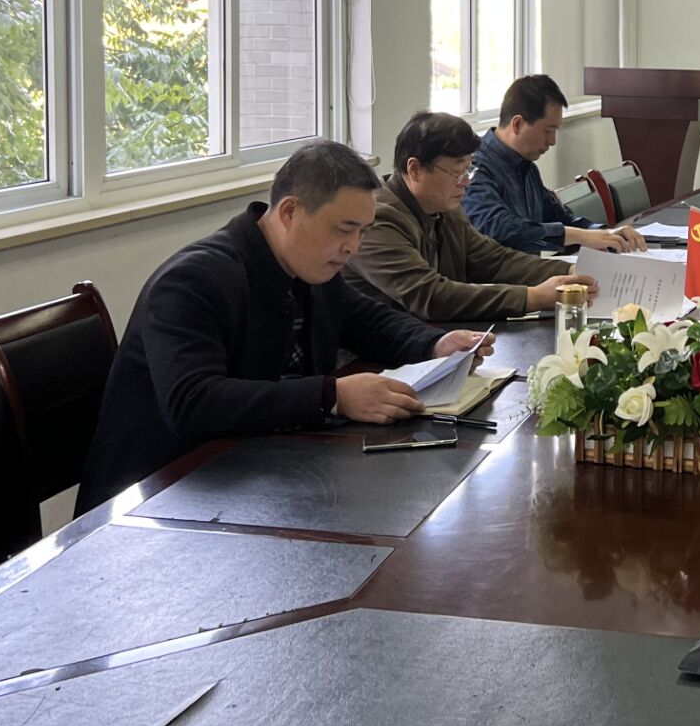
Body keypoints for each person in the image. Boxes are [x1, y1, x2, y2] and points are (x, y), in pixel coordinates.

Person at [76, 142, 492, 514]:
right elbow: (193, 402)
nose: (353, 247)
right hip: (160, 500)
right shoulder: (193, 281)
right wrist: (333, 396)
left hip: (256, 476)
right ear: (290, 212)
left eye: (362, 232)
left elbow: (369, 321)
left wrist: (435, 343)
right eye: (344, 229)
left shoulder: (310, 267)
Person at [346, 112, 600, 323]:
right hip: (372, 358)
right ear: (414, 169)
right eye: (457, 173)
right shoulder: (376, 219)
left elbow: (494, 260)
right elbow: (430, 296)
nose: (466, 183)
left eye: (469, 171)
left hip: (435, 339)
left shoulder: (446, 207)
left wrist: (570, 271)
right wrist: (532, 297)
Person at [462, 74, 646, 256]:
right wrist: (580, 236)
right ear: (517, 124)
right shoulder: (474, 167)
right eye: (548, 131)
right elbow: (496, 228)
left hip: (532, 271)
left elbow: (560, 217)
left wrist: (604, 233)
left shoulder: (527, 166)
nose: (552, 141)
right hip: (501, 275)